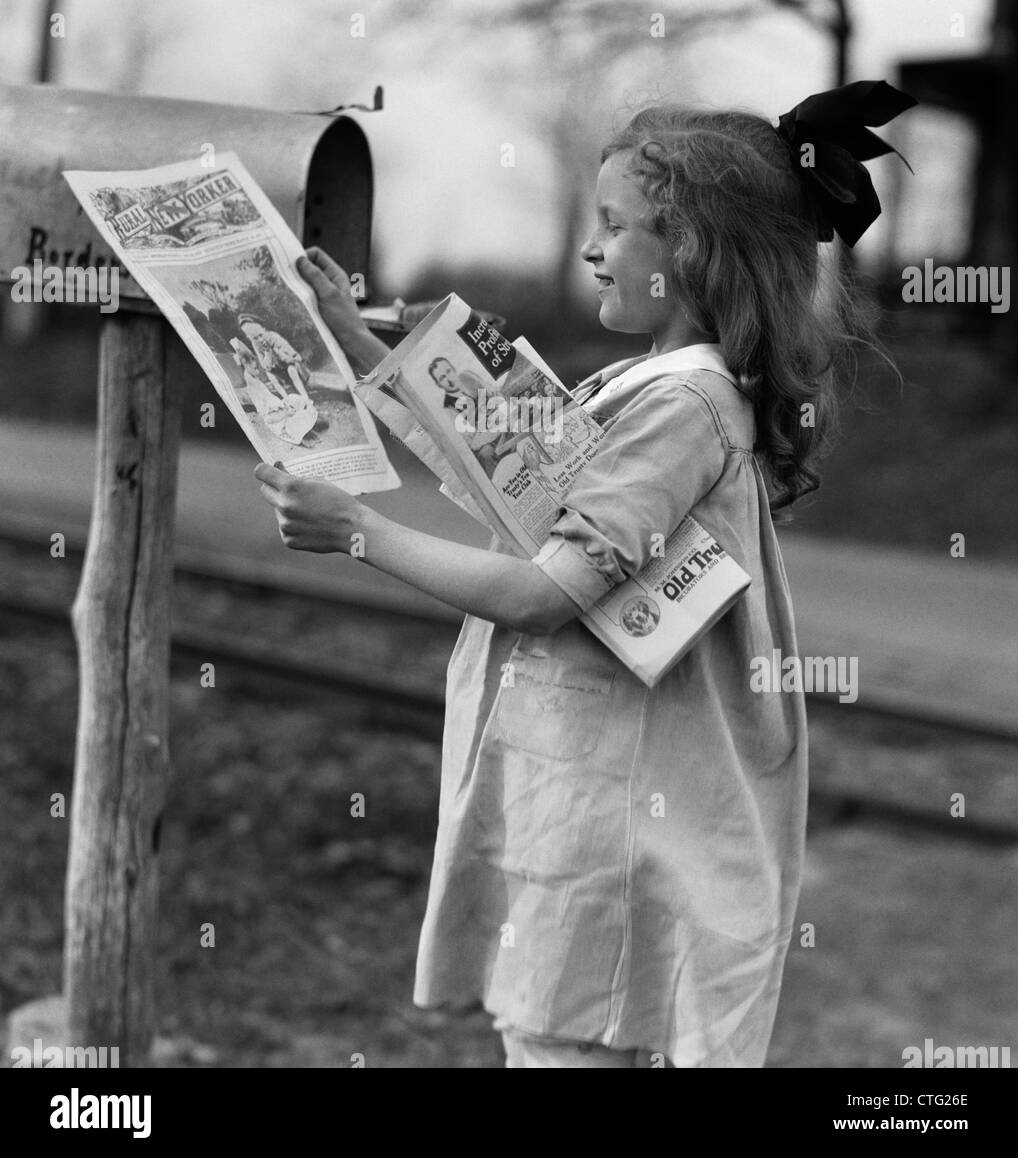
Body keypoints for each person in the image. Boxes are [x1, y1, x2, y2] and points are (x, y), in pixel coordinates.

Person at [254, 80, 914, 1068]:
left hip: (608, 822)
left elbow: (542, 592)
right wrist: (358, 342)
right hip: (587, 793)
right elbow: (512, 462)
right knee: (555, 1034)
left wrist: (357, 532)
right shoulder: (650, 385)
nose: (591, 247)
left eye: (614, 226)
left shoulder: (680, 412)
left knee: (562, 1040)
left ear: (687, 250)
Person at [239, 315, 313, 405]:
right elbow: (265, 366)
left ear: (263, 329)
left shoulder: (273, 336)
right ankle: (287, 401)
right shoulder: (256, 344)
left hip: (288, 363)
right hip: (277, 369)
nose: (260, 339)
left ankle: (306, 397)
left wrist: (279, 352)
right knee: (271, 376)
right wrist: (267, 353)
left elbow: (289, 352)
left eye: (260, 335)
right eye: (255, 338)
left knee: (291, 370)